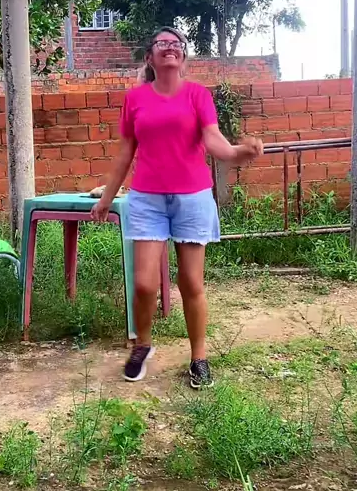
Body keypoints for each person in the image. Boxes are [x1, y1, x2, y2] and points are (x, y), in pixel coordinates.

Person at [90, 26, 263, 388]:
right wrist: (107, 199)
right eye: (162, 43)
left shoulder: (198, 95)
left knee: (191, 282)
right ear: (150, 57)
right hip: (147, 200)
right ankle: (142, 345)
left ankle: (199, 358)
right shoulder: (135, 99)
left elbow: (213, 140)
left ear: (183, 55)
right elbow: (125, 153)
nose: (169, 47)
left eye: (176, 43)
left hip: (192, 198)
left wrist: (238, 153)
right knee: (143, 284)